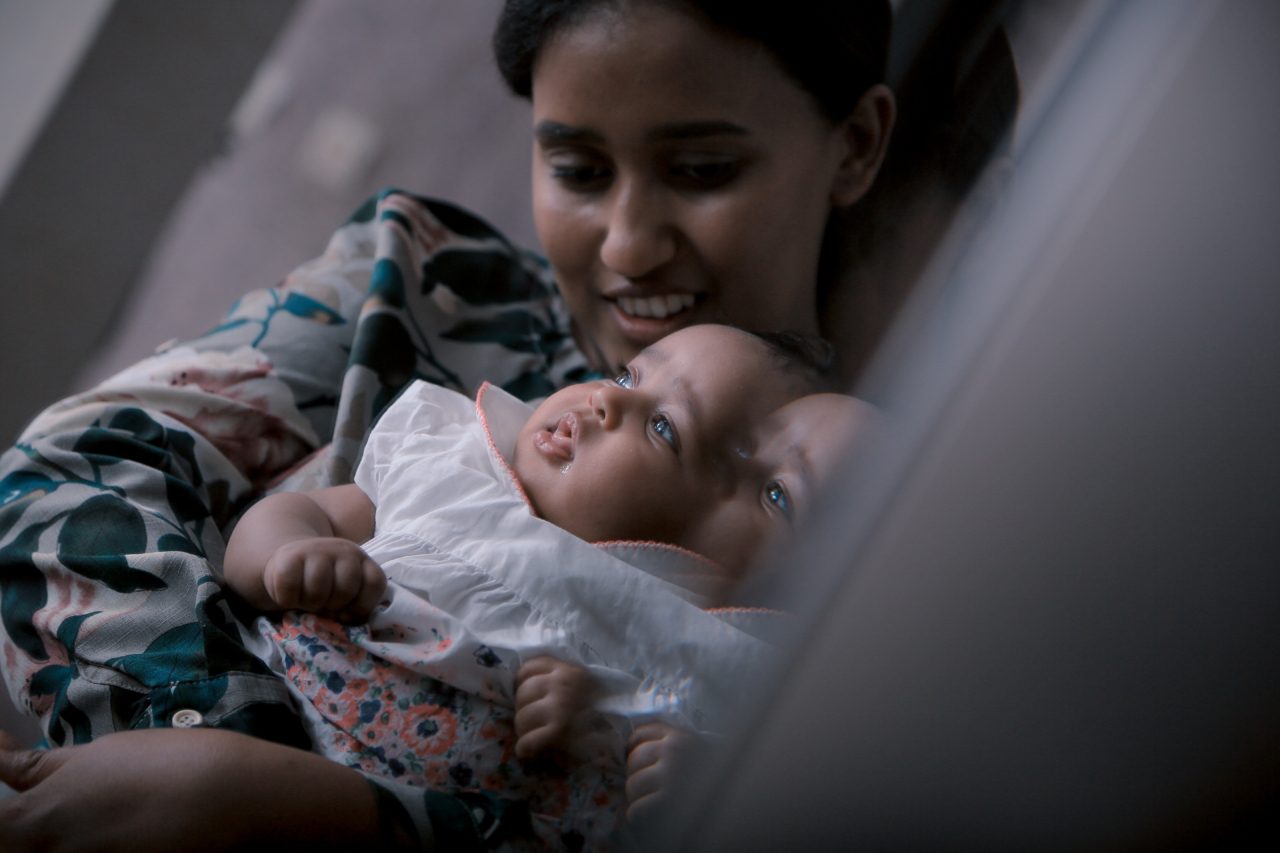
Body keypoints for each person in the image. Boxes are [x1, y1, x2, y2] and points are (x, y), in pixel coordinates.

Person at [0, 1, 897, 849]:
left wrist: (308, 811)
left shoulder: (867, 534)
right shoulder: (420, 287)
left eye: (703, 170)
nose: (627, 245)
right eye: (579, 171)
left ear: (855, 145)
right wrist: (223, 745)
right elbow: (55, 486)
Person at [222, 324, 868, 847]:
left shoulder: (722, 674)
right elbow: (297, 518)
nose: (606, 398)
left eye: (664, 426)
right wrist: (291, 555)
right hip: (268, 710)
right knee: (194, 785)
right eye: (629, 373)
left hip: (440, 824)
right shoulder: (463, 471)